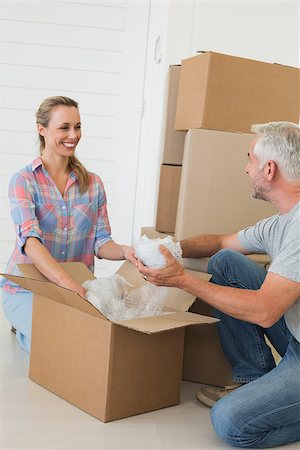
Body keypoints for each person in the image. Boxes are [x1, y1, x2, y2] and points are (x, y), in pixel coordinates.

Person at [138, 121, 300, 448]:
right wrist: (169, 249)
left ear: (269, 169)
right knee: (226, 263)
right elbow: (221, 242)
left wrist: (181, 279)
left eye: (250, 159)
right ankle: (253, 378)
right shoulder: (283, 220)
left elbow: (266, 311)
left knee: (230, 422)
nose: (245, 168)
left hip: (287, 328)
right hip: (296, 334)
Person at [1, 96, 137, 353]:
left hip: (75, 290)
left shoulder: (92, 184)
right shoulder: (24, 181)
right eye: (64, 127)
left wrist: (126, 251)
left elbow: (101, 241)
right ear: (42, 129)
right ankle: (23, 327)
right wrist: (68, 284)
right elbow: (30, 242)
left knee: (91, 341)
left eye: (78, 126)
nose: (73, 135)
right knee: (58, 344)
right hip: (28, 289)